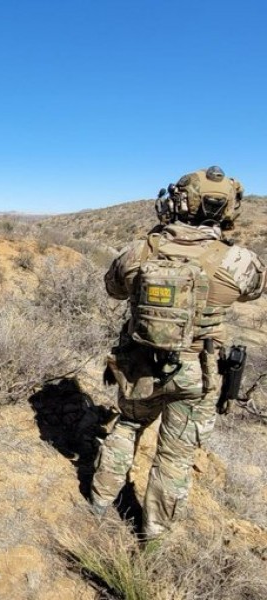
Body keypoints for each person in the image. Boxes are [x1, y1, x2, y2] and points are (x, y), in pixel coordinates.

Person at [91, 166, 265, 540]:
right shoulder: (238, 261)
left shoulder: (138, 251)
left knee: (128, 424)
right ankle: (153, 536)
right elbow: (252, 292)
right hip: (196, 373)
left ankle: (99, 501)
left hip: (140, 367)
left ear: (179, 201)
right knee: (175, 456)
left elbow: (113, 289)